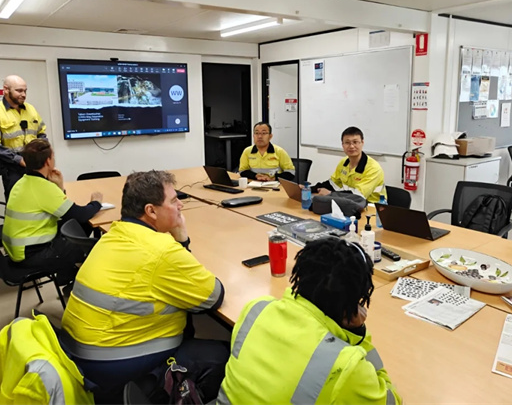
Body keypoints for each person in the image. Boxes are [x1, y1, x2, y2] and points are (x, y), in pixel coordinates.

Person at [61, 170, 228, 402]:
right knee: (224, 355)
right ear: (151, 211)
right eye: (174, 200)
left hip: (81, 352)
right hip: (110, 366)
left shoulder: (115, 232)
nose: (180, 205)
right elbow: (213, 295)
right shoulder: (161, 250)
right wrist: (182, 239)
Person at [216, 238, 401, 404]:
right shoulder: (346, 366)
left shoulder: (256, 309)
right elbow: (390, 401)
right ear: (352, 307)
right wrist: (358, 333)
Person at [2, 139, 102, 287]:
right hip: (32, 256)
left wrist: (59, 187)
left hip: (18, 251)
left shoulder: (22, 182)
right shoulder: (42, 187)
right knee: (94, 245)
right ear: (48, 161)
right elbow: (80, 214)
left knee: (78, 228)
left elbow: (63, 210)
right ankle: (75, 284)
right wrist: (96, 203)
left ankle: (66, 277)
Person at [0, 75, 47, 200]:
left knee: (37, 201)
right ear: (6, 90)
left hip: (34, 165)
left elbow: (41, 134)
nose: (23, 94)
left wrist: (43, 154)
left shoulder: (31, 109)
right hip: (12, 169)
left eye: (25, 91)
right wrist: (19, 159)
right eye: (19, 91)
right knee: (17, 203)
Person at [311, 126, 386, 203]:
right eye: (347, 143)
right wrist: (309, 189)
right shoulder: (344, 162)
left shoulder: (373, 168)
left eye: (355, 142)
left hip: (372, 206)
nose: (351, 146)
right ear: (342, 145)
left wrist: (330, 194)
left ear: (362, 143)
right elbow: (332, 184)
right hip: (350, 202)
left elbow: (358, 196)